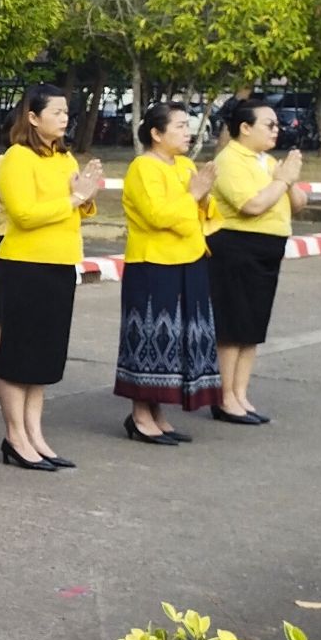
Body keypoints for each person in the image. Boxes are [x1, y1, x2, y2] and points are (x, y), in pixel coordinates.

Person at [0, 86, 105, 471]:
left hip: (59, 262)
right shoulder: (18, 158)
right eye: (55, 111)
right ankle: (14, 436)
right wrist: (72, 200)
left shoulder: (64, 156)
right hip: (25, 264)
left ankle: (35, 434)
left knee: (43, 358)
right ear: (33, 117)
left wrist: (84, 197)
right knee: (18, 357)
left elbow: (76, 210)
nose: (64, 117)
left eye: (66, 112)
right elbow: (24, 214)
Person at [117, 104, 223, 444]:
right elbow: (158, 216)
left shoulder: (186, 165)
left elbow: (207, 215)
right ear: (156, 134)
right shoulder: (142, 167)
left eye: (187, 125)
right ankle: (140, 414)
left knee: (179, 340)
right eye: (178, 126)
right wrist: (192, 195)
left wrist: (203, 197)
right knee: (151, 337)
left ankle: (158, 411)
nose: (186, 132)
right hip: (153, 264)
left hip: (189, 260)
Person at [208, 97, 307, 425]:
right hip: (236, 249)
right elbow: (251, 205)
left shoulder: (265, 161)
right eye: (269, 124)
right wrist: (282, 180)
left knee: (252, 328)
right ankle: (224, 398)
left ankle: (240, 393)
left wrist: (288, 179)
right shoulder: (231, 159)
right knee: (233, 327)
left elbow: (299, 203)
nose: (276, 130)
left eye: (277, 125)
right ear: (245, 127)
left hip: (266, 251)